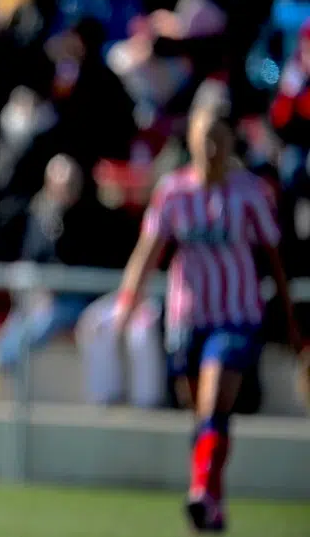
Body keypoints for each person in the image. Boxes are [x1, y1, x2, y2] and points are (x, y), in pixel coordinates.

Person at [112, 93, 304, 533]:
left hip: (236, 314)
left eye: (219, 140)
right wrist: (127, 303)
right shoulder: (174, 192)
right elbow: (149, 251)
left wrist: (291, 319)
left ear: (231, 141)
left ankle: (201, 492)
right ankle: (211, 500)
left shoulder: (249, 193)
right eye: (204, 141)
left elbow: (274, 257)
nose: (212, 150)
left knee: (215, 399)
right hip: (187, 317)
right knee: (200, 414)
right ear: (192, 142)